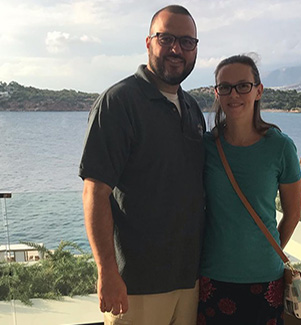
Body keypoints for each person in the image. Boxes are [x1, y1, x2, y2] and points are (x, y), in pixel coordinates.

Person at [79, 5, 205, 325]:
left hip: (189, 280)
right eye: (167, 38)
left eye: (187, 42)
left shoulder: (191, 108)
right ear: (149, 42)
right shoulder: (119, 102)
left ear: (195, 50)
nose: (177, 49)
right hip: (136, 284)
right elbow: (95, 192)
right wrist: (107, 271)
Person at [197, 54, 301, 325]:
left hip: (266, 276)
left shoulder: (280, 147)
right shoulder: (206, 146)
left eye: (243, 85)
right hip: (213, 274)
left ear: (258, 91)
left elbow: (292, 214)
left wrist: (266, 250)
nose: (234, 94)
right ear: (217, 93)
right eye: (225, 87)